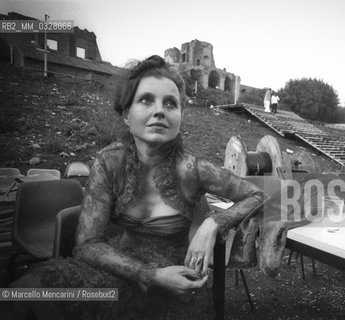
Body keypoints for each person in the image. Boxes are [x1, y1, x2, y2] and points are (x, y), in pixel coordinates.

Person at [11, 55, 264, 320]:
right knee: (22, 297)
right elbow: (87, 245)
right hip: (117, 271)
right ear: (125, 115)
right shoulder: (109, 162)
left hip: (175, 284)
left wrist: (212, 224)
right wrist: (150, 275)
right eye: (146, 100)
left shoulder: (193, 168)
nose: (160, 111)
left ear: (179, 118)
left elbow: (257, 194)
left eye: (170, 103)